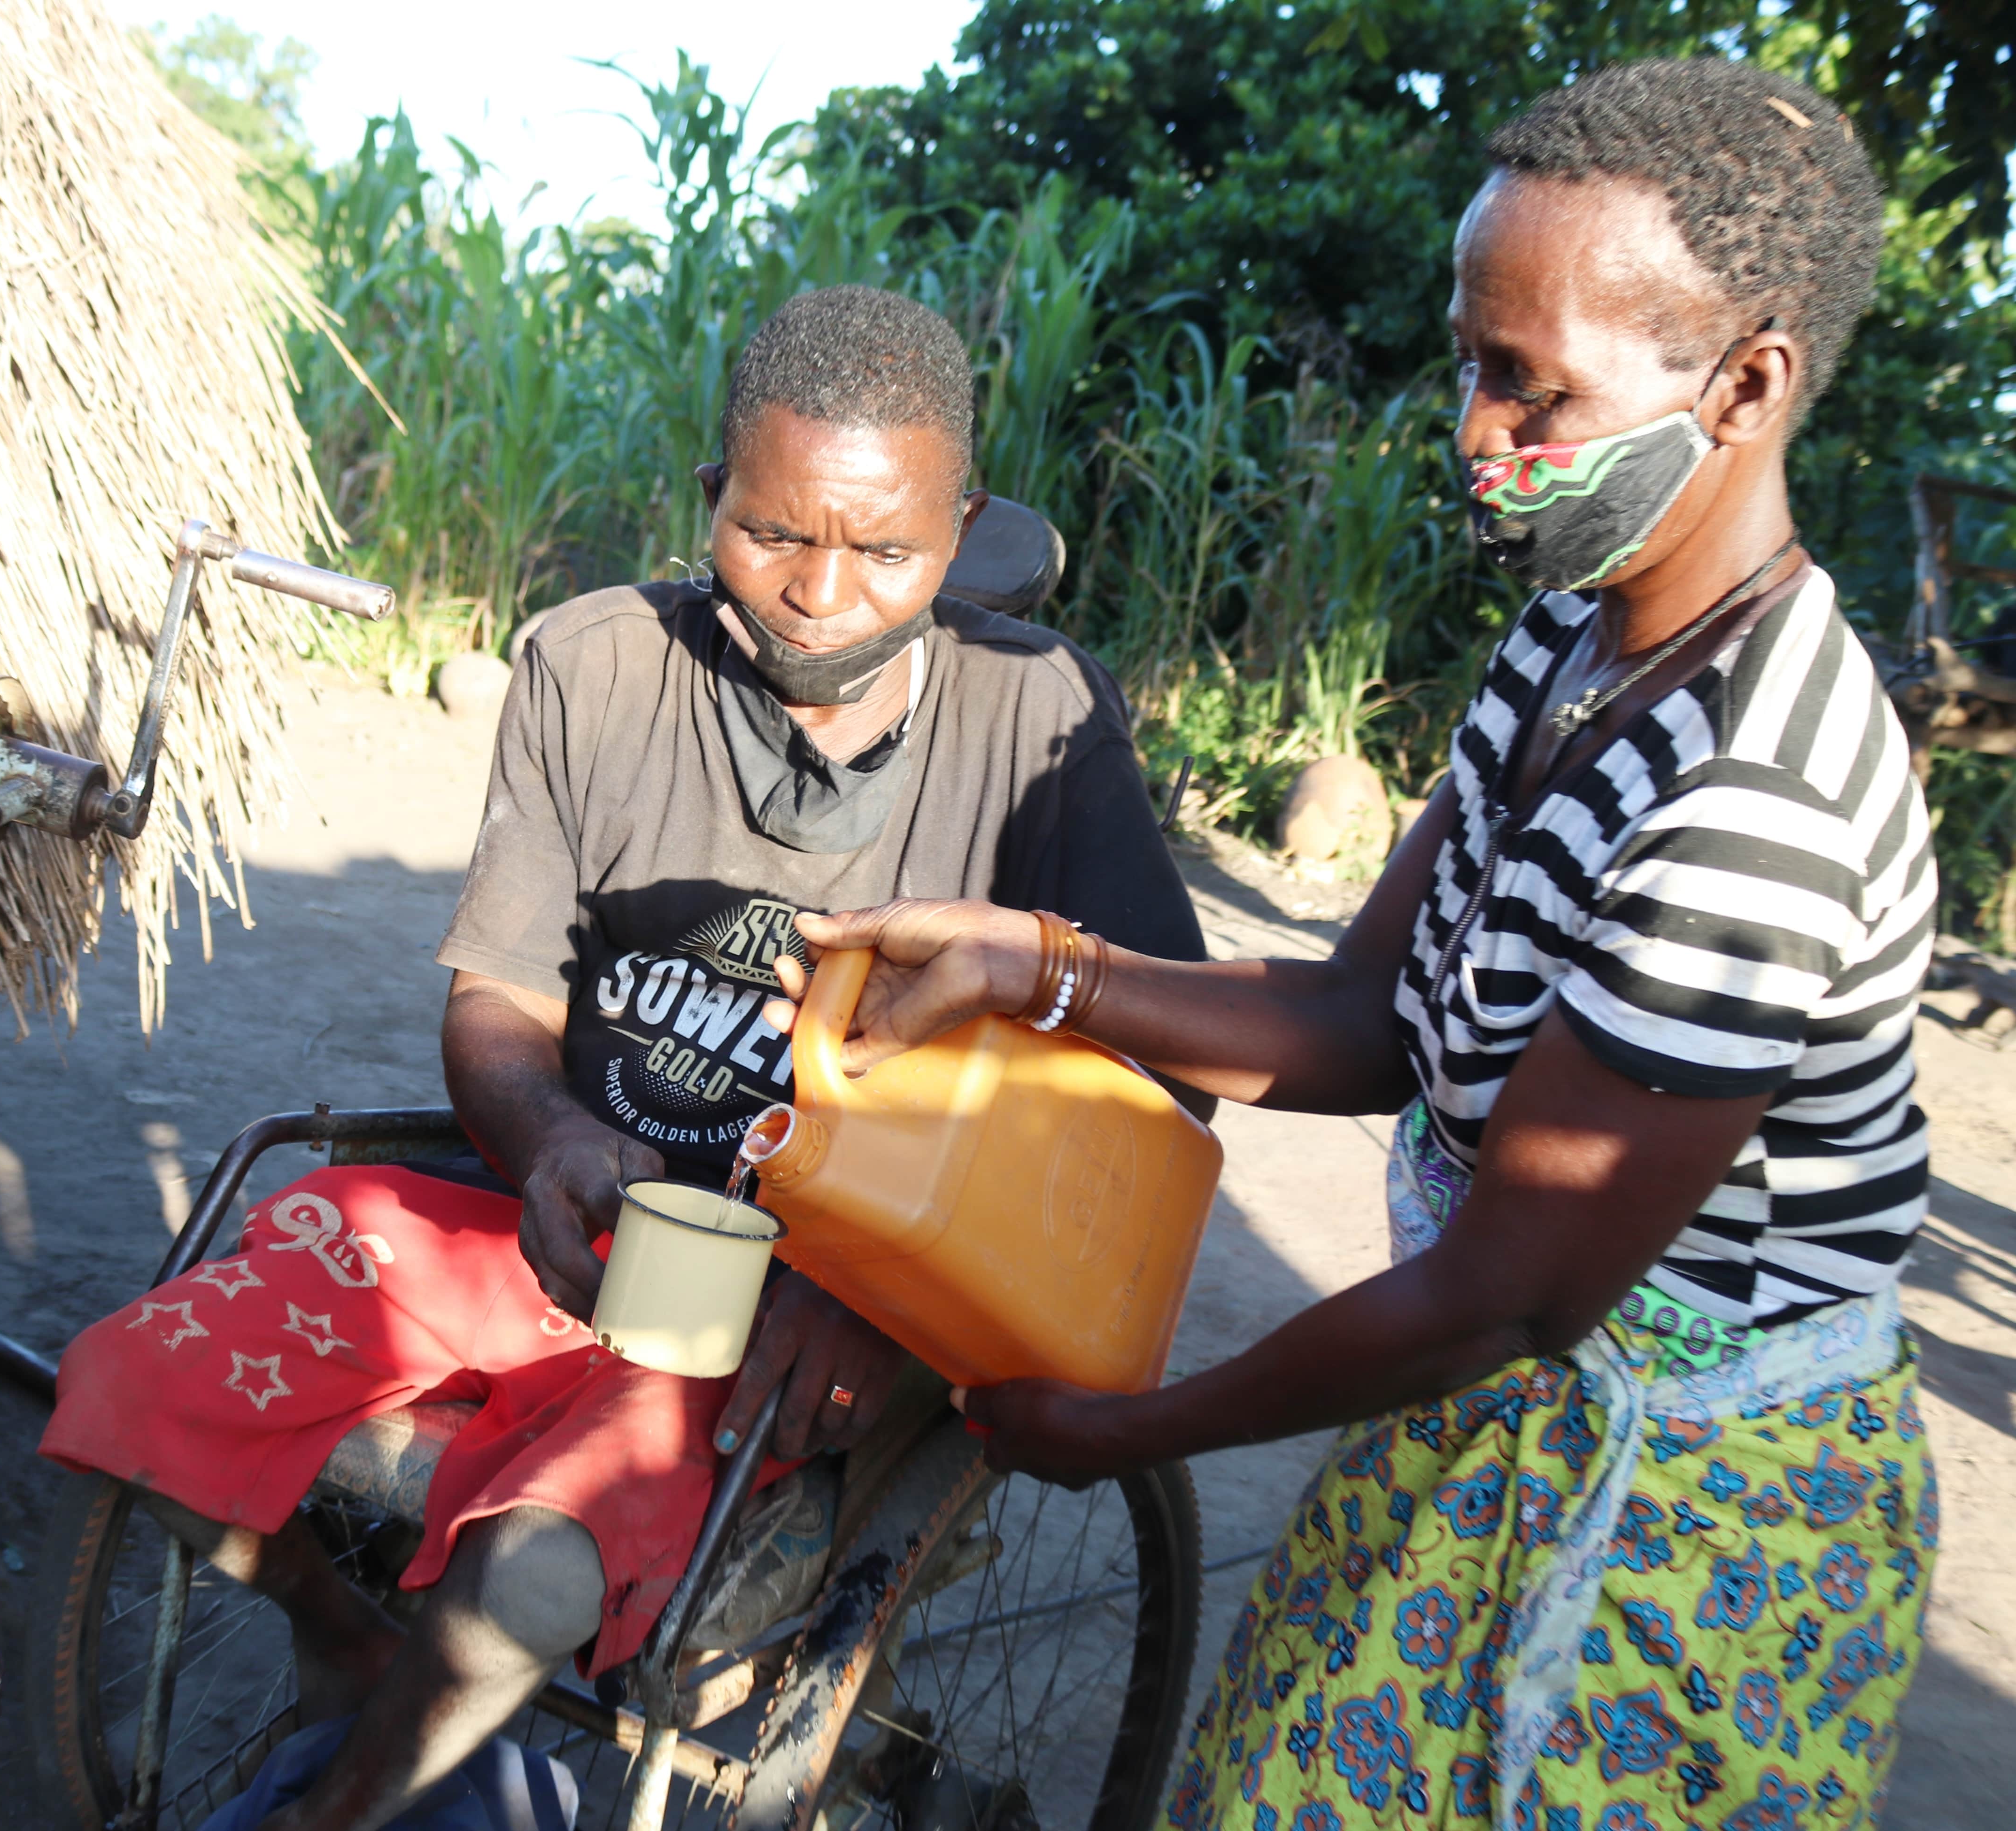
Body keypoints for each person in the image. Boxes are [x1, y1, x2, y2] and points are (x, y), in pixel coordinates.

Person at [766, 62, 1935, 1831]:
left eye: (1526, 382)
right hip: (1473, 1427)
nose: (1474, 429)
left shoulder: (1754, 798)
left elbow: (1512, 1292)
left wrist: (1124, 1427)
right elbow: (1364, 1013)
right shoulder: (1567, 648)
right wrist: (1031, 962)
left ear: (1743, 383)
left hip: (1676, 1537)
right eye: (1470, 363)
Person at [39, 284, 1208, 1830]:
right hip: (566, 1225)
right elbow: (497, 1009)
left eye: (887, 551)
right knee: (133, 1373)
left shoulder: (1037, 721)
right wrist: (553, 1140)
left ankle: (333, 1813)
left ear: (964, 524)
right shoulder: (593, 666)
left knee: (531, 1571)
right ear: (709, 493)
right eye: (771, 533)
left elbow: (1154, 1080)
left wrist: (891, 1309)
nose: (819, 593)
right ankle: (347, 1645)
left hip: (811, 1311)